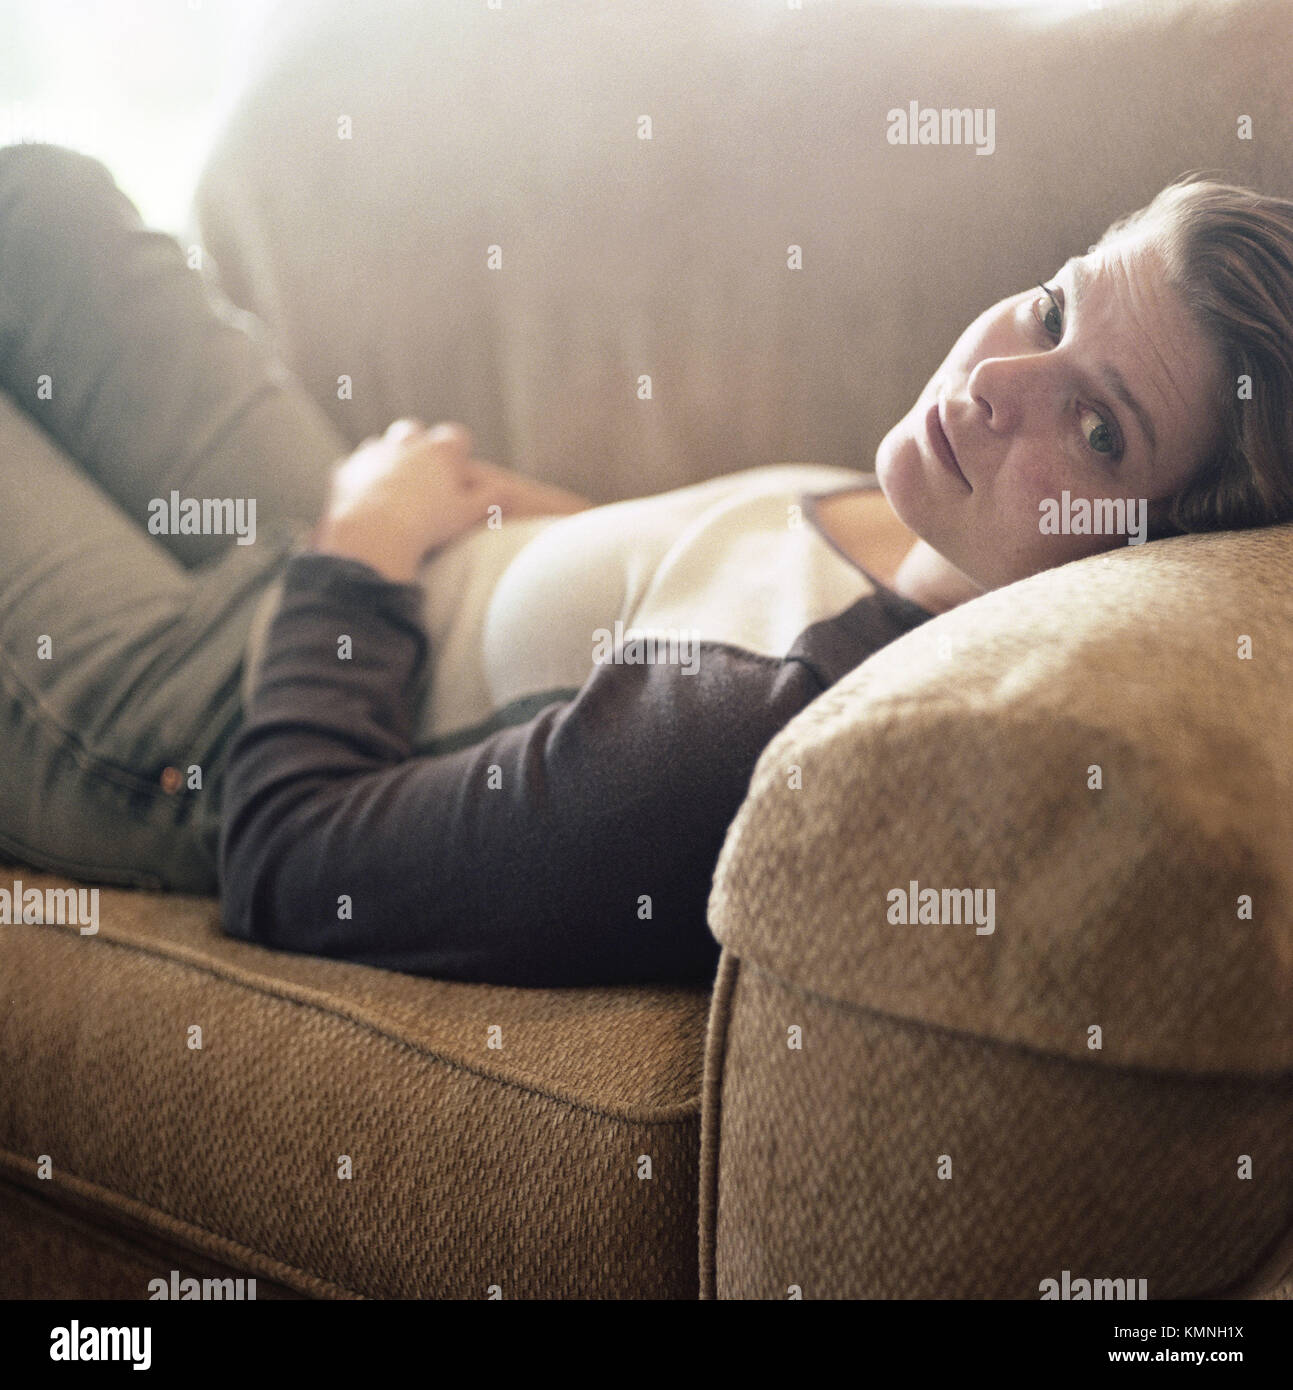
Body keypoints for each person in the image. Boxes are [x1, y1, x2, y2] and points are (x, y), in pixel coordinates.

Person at [1, 144, 1290, 985]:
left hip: (211, 727)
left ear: (1148, 565)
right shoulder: (938, 527)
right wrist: (493, 511)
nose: (1001, 379)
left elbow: (284, 858)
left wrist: (364, 547)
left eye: (1101, 426)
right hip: (370, 556)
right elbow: (679, 579)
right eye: (1054, 307)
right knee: (40, 204)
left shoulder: (751, 736)